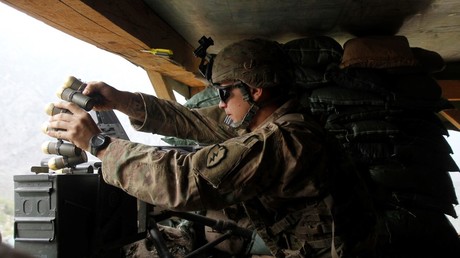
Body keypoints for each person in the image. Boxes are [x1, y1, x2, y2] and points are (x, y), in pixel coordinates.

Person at [45, 38, 374, 257]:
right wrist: (122, 100)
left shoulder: (285, 140)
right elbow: (191, 121)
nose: (220, 103)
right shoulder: (272, 120)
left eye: (223, 92)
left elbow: (187, 181)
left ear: (255, 91)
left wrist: (98, 144)